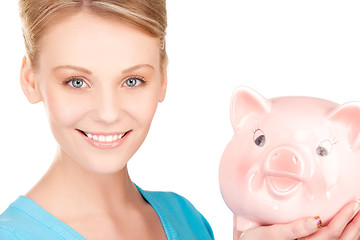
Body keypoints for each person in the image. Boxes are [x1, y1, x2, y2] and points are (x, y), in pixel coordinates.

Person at [0, 1, 359, 240]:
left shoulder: (187, 218)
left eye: (132, 81)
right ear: (31, 80)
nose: (108, 113)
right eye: (76, 82)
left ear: (163, 79)